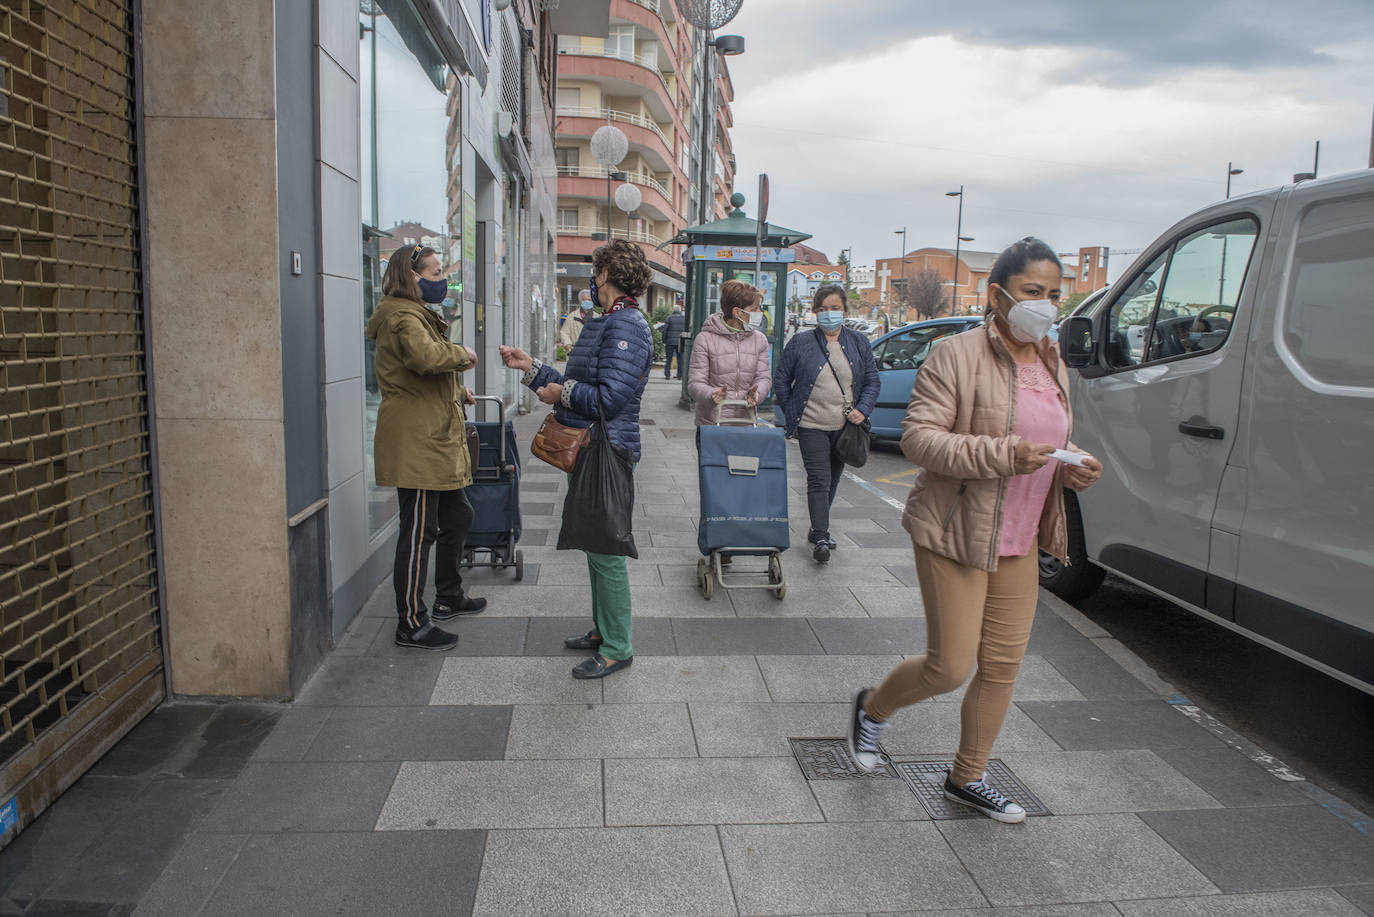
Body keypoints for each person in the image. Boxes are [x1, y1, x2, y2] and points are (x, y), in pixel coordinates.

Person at [846, 237, 1103, 823]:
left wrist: (1075, 466)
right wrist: (1005, 454)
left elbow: (1050, 439)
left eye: (1054, 295)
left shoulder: (1052, 360)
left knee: (1002, 667)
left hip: (1020, 537)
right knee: (951, 666)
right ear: (998, 295)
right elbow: (920, 440)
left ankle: (968, 776)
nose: (1045, 305)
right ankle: (872, 711)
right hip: (956, 530)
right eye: (1033, 292)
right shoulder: (955, 355)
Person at [499, 239, 653, 679]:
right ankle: (604, 631)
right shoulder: (608, 320)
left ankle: (618, 646)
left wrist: (560, 392)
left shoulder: (626, 325)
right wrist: (532, 370)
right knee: (595, 546)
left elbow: (612, 397)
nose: (592, 274)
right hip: (592, 447)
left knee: (607, 550)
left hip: (608, 448)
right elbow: (577, 381)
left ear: (606, 274)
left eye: (596, 268)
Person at [365, 244, 488, 651]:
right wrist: (462, 356)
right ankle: (411, 624)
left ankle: (448, 596)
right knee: (419, 533)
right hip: (415, 440)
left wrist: (458, 389)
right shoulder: (401, 315)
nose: (443, 281)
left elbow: (424, 371)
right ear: (413, 277)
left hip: (434, 437)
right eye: (436, 273)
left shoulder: (414, 313)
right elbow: (425, 357)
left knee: (458, 516)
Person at [772, 284, 879, 564]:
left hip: (845, 427)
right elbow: (781, 379)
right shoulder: (801, 342)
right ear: (814, 313)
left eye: (834, 308)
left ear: (844, 310)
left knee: (833, 479)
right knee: (818, 479)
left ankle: (817, 526)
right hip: (811, 425)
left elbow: (871, 381)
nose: (828, 314)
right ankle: (821, 535)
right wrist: (792, 406)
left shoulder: (859, 342)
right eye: (822, 309)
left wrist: (863, 410)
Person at [687, 279, 772, 426]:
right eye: (754, 309)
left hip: (746, 423)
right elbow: (695, 383)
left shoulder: (760, 340)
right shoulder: (705, 339)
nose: (760, 313)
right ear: (738, 312)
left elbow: (764, 377)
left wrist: (757, 393)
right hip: (712, 424)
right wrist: (710, 394)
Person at [661, 300, 686, 379]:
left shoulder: (669, 318)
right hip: (680, 342)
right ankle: (679, 375)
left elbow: (665, 330)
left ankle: (667, 375)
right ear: (680, 310)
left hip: (670, 342)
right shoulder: (684, 318)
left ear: (673, 310)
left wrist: (664, 340)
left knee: (668, 359)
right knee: (680, 359)